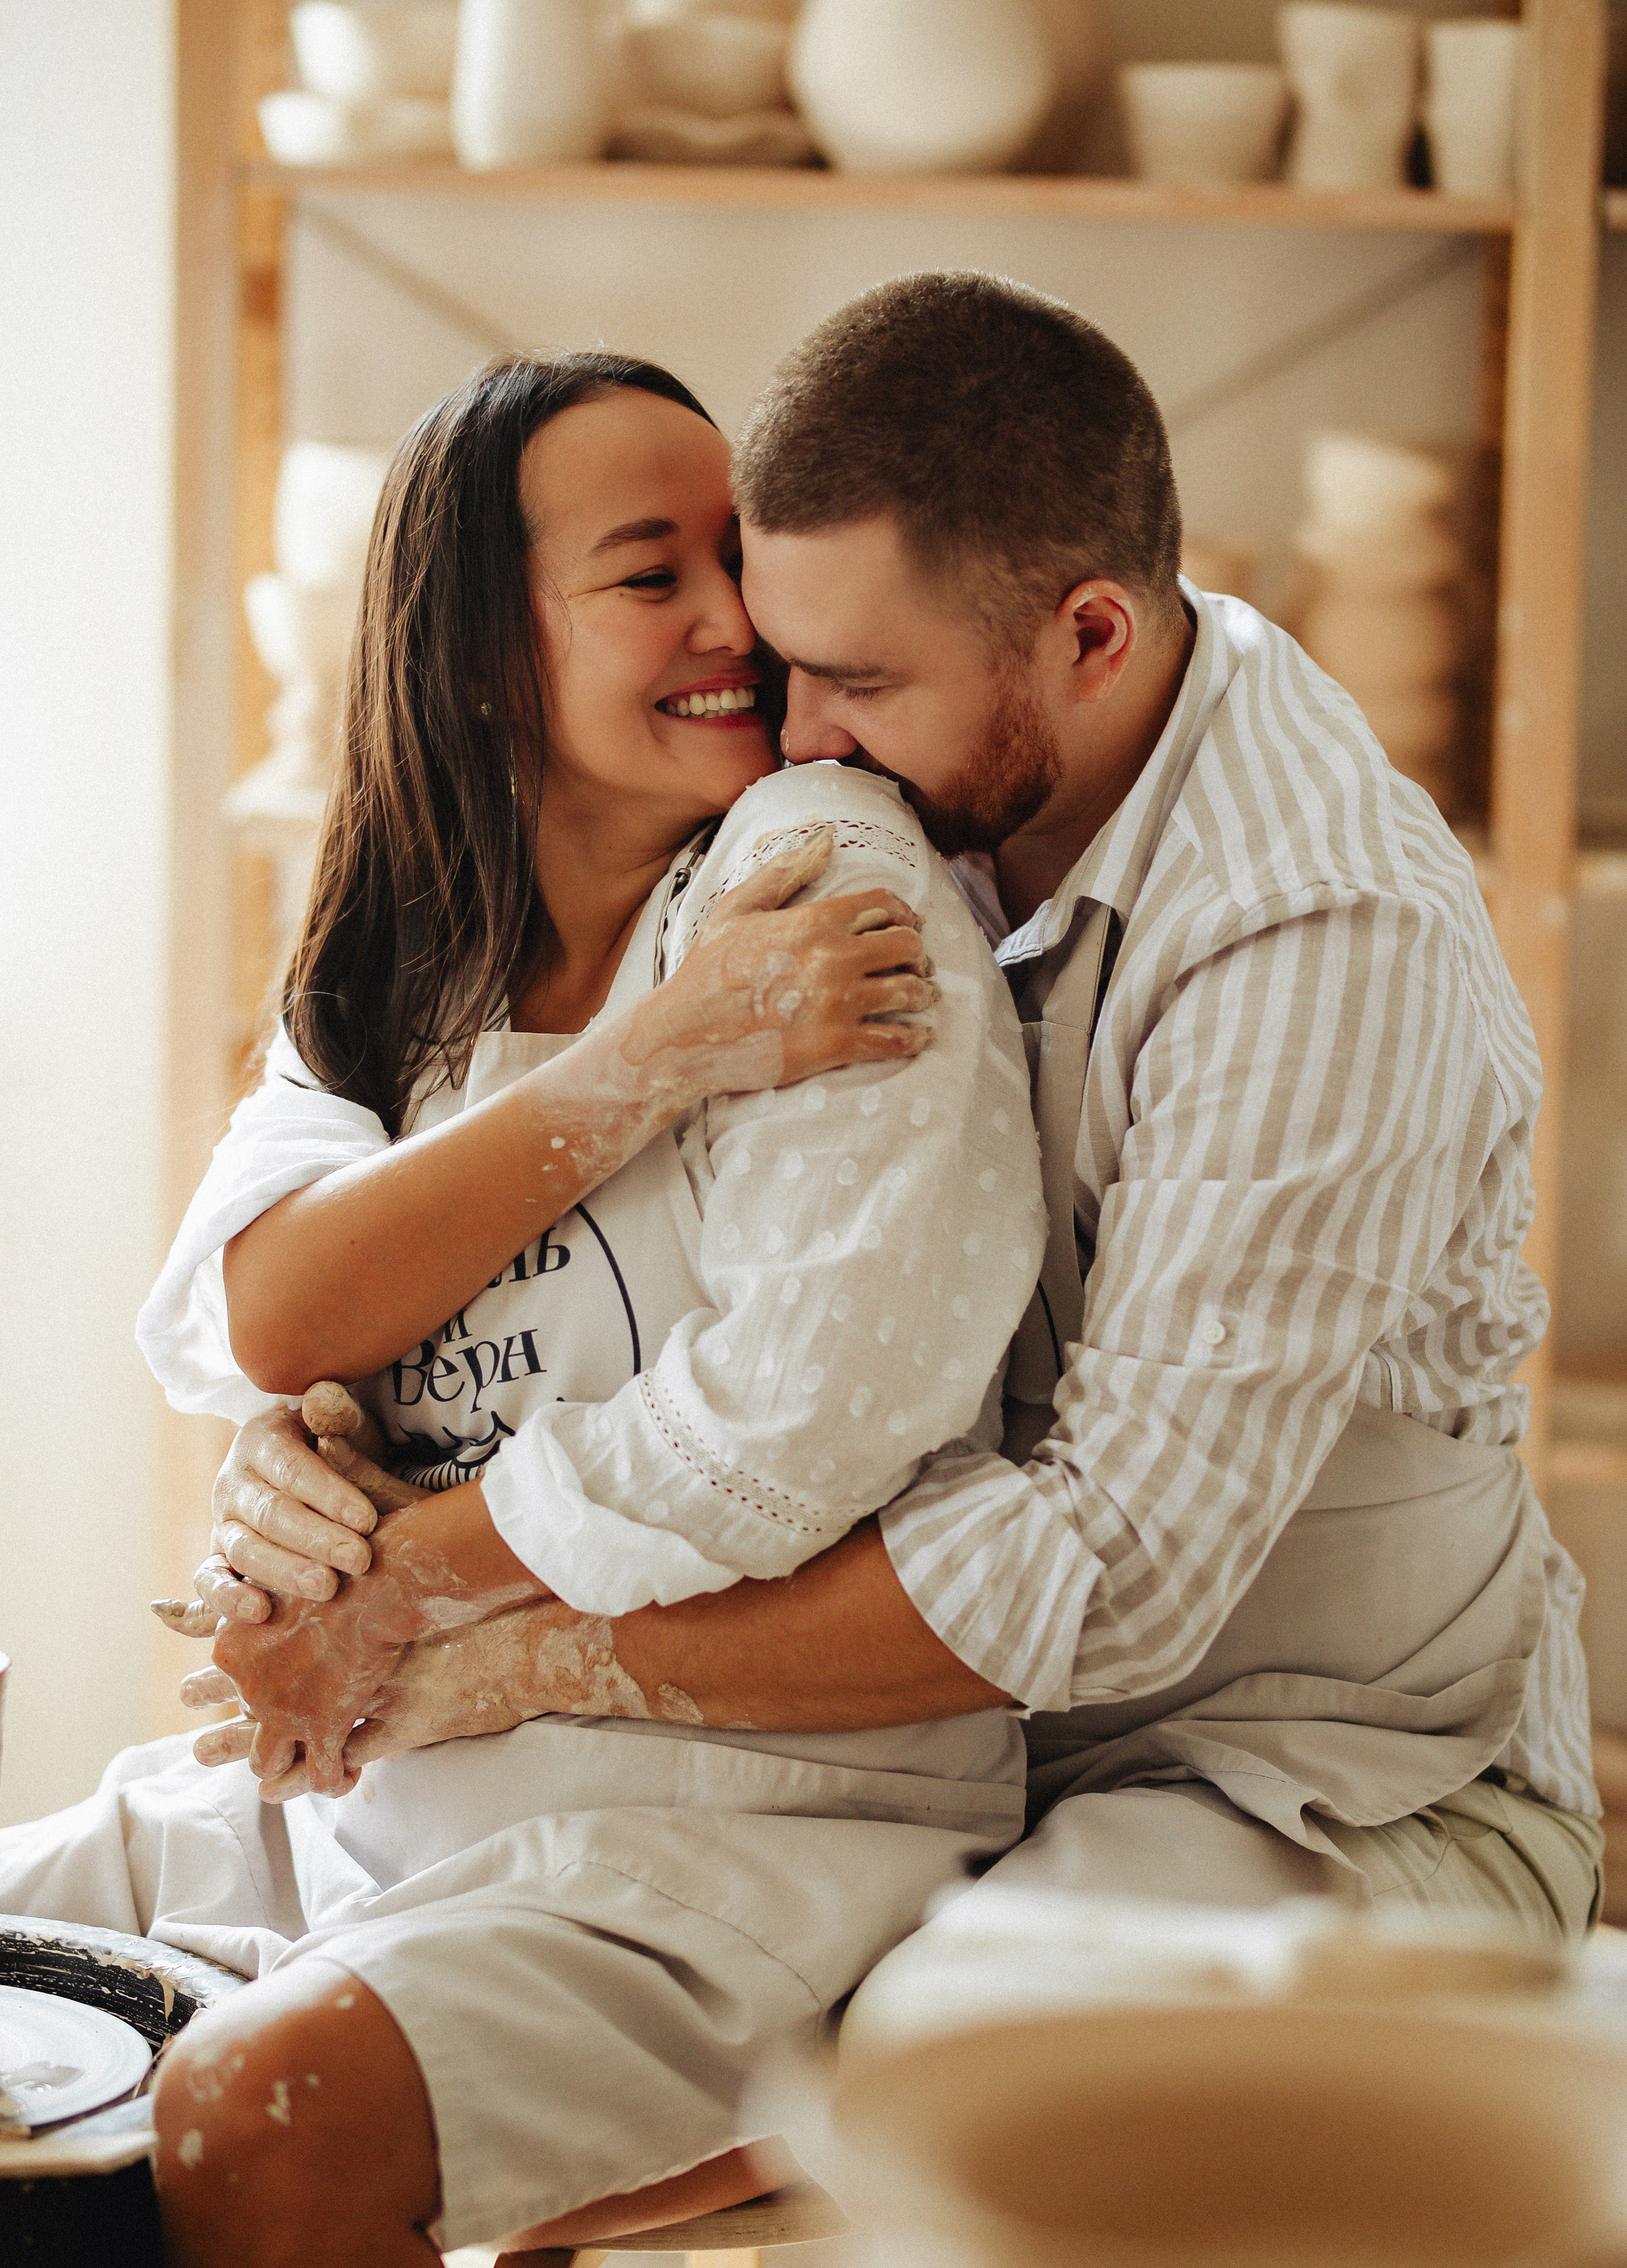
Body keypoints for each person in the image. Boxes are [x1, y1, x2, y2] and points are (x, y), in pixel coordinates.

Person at [219, 274, 1600, 1947]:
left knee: (924, 2061)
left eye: (853, 679)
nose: (793, 730)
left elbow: (1113, 1574)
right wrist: (335, 1444)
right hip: (943, 1751)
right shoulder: (908, 776)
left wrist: (475, 1638)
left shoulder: (1315, 932)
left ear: (1092, 633)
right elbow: (351, 1274)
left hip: (1308, 1765)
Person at [0, 350, 1046, 2268]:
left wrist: (391, 1578)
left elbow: (795, 1430)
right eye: (654, 575)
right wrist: (650, 1069)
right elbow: (257, 1312)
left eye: (732, 558)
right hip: (402, 1786)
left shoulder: (825, 874)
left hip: (744, 1830)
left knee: (262, 2110)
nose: (740, 622)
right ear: (485, 655)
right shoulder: (419, 950)